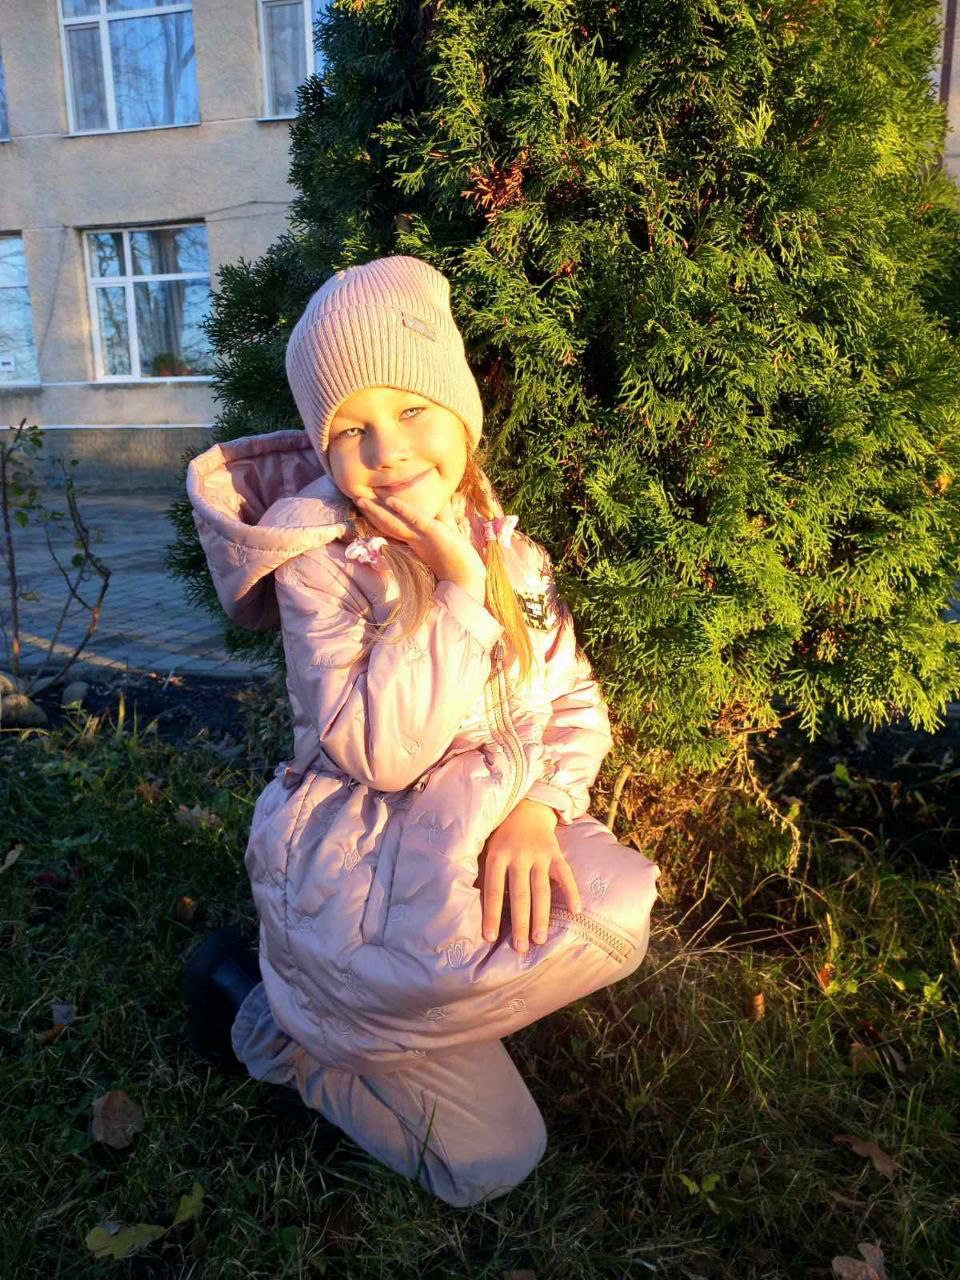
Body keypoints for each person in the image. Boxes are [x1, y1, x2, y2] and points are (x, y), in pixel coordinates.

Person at [182, 254, 660, 1207]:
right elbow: (383, 755)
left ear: (461, 414)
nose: (387, 449)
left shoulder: (514, 553)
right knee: (489, 1164)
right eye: (350, 428)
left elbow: (569, 700)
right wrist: (452, 591)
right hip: (358, 873)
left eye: (410, 410)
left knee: (619, 908)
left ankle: (426, 1011)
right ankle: (277, 1023)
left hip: (458, 857)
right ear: (324, 451)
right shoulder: (325, 571)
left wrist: (537, 807)